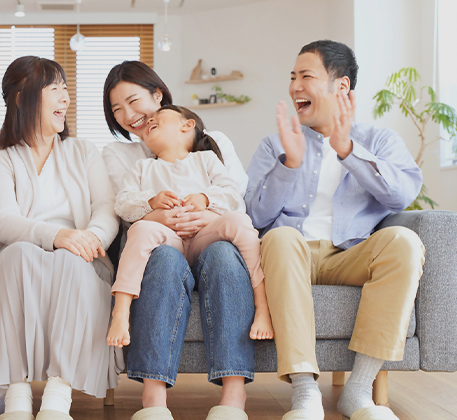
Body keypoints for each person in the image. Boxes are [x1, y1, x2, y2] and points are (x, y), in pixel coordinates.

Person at [245, 40, 424, 420]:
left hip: (351, 254)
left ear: (340, 87)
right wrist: (289, 165)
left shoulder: (379, 141)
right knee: (279, 236)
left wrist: (348, 152)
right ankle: (305, 392)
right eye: (292, 77)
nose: (294, 86)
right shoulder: (274, 145)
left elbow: (403, 195)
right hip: (289, 254)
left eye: (306, 76)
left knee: (404, 242)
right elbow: (254, 216)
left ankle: (359, 391)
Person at [0, 56, 122, 420]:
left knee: (71, 259)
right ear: (22, 98)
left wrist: (88, 239)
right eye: (55, 89)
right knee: (18, 254)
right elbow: (3, 221)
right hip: (21, 260)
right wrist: (59, 235)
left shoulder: (83, 151)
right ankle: (16, 400)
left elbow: (106, 208)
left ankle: (57, 400)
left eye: (66, 89)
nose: (65, 98)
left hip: (82, 255)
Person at [102, 60, 254, 420]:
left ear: (158, 95)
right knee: (167, 261)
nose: (128, 115)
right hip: (155, 248)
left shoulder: (210, 145)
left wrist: (205, 211)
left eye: (134, 101)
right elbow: (122, 210)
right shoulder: (122, 156)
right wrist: (156, 213)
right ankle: (153, 403)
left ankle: (234, 397)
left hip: (208, 238)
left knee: (222, 254)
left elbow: (234, 196)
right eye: (116, 109)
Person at [107, 105, 271, 351]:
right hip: (167, 243)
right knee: (139, 230)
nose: (150, 119)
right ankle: (120, 312)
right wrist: (150, 203)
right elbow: (122, 204)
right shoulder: (142, 167)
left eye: (158, 117)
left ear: (187, 125)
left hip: (203, 240)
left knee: (240, 222)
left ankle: (262, 306)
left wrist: (205, 199)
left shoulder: (206, 159)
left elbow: (233, 195)